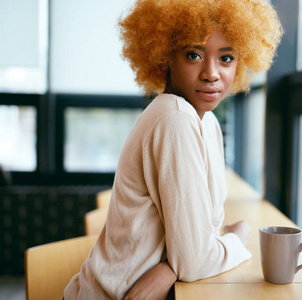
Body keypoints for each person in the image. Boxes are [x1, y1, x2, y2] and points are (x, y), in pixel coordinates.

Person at [64, 0, 282, 299]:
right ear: (166, 58)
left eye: (227, 58)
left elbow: (199, 241)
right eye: (193, 55)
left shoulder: (207, 124)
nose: (211, 73)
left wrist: (168, 268)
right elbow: (196, 261)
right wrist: (236, 237)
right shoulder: (174, 117)